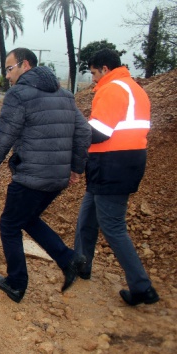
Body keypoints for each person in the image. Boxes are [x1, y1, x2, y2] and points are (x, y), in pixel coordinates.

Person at [0, 48, 91, 303]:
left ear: (25, 65)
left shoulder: (19, 95)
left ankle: (16, 284)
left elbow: (2, 139)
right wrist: (75, 168)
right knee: (27, 218)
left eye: (9, 68)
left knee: (9, 225)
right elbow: (84, 133)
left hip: (31, 178)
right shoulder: (65, 94)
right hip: (57, 179)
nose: (7, 75)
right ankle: (69, 259)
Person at [74, 49, 159, 306]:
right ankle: (80, 264)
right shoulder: (135, 88)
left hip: (112, 164)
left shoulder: (112, 89)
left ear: (105, 69)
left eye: (94, 73)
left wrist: (74, 130)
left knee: (112, 226)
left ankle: (142, 287)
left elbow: (100, 132)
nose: (93, 79)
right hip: (121, 162)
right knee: (87, 216)